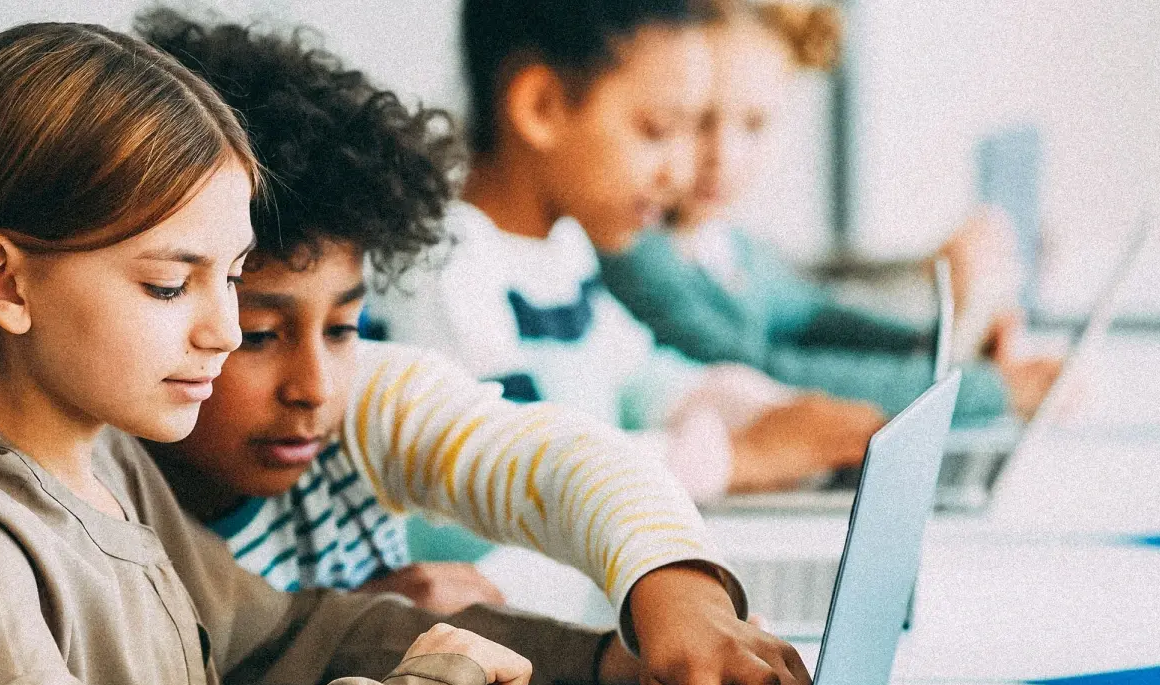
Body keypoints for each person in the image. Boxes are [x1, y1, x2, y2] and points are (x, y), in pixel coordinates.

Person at [0, 22, 658, 685]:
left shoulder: (106, 465)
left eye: (230, 278)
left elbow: (282, 634)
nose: (223, 329)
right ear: (6, 283)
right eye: (169, 284)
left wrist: (592, 661)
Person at [139, 13, 810, 685]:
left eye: (346, 324)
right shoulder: (113, 499)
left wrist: (675, 592)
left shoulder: (362, 398)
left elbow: (551, 460)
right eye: (257, 335)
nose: (314, 384)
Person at [367, 0, 886, 504]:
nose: (679, 172)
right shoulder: (445, 263)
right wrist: (737, 459)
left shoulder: (563, 250)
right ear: (541, 108)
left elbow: (643, 377)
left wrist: (775, 411)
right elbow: (509, 474)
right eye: (657, 130)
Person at [598, 1, 1062, 422]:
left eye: (754, 124)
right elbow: (767, 375)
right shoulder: (631, 249)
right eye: (699, 120)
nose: (724, 154)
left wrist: (941, 350)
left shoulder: (728, 245)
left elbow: (817, 318)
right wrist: (989, 390)